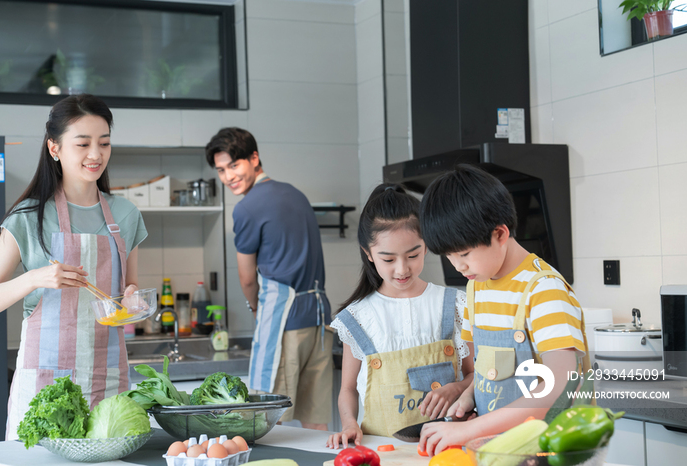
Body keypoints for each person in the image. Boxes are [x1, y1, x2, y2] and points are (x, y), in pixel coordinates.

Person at [0, 94, 147, 440]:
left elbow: (129, 290)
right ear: (54, 148)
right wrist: (35, 278)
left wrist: (133, 301)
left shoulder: (126, 215)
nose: (96, 154)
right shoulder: (28, 217)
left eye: (104, 143)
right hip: (46, 389)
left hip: (108, 383)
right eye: (83, 143)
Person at [417, 165, 589, 455]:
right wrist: (469, 395)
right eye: (449, 256)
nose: (458, 266)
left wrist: (469, 429)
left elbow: (559, 386)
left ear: (499, 233)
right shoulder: (477, 287)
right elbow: (488, 371)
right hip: (499, 450)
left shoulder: (544, 290)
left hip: (551, 453)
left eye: (464, 254)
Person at [326, 184, 474, 448]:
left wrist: (457, 388)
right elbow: (348, 389)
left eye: (413, 255)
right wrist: (349, 423)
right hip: (380, 450)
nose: (402, 269)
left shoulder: (454, 304)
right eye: (389, 259)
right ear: (368, 254)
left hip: (446, 450)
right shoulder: (359, 316)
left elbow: (477, 375)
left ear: (426, 245)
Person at [205, 127, 333, 430]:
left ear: (254, 157)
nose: (228, 177)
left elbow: (247, 278)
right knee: (316, 422)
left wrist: (254, 308)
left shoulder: (247, 208)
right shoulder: (297, 195)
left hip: (284, 323)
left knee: (273, 420)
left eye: (234, 165)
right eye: (221, 170)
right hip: (319, 321)